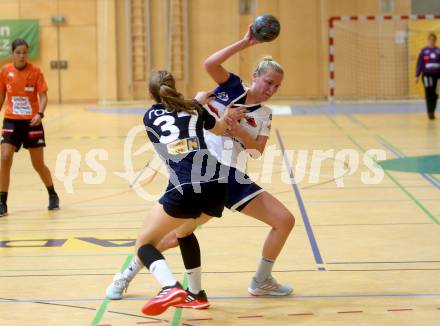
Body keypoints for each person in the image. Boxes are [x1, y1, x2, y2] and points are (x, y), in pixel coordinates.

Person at [106, 26, 295, 308]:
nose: (271, 90)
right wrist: (245, 42)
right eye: (268, 82)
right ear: (255, 76)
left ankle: (261, 280)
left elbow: (257, 150)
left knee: (283, 220)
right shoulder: (231, 86)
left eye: (276, 86)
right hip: (201, 169)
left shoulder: (265, 115)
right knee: (174, 235)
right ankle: (126, 277)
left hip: (228, 176)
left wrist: (237, 130)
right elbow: (210, 63)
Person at [125, 70, 244, 315]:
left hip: (186, 186)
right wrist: (220, 112)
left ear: (151, 94)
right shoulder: (195, 109)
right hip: (217, 183)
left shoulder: (149, 116)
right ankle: (197, 294)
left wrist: (197, 102)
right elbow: (220, 129)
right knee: (184, 232)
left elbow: (173, 122)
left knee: (144, 245)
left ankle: (169, 286)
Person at [0, 39, 59, 216]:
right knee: (4, 158)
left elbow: (43, 96)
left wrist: (39, 114)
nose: (21, 55)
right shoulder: (4, 71)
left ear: (28, 53)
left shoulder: (36, 72)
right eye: (18, 52)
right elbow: (1, 96)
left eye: (24, 52)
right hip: (11, 120)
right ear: (12, 53)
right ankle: (2, 202)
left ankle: (52, 194)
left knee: (38, 164)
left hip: (32, 122)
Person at [415, 32, 440, 120]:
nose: (432, 41)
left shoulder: (439, 51)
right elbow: (420, 63)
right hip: (427, 75)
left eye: (434, 39)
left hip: (438, 77)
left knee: (436, 94)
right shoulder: (424, 51)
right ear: (428, 40)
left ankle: (433, 112)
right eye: (430, 39)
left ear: (436, 40)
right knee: (429, 93)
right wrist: (417, 75)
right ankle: (429, 112)